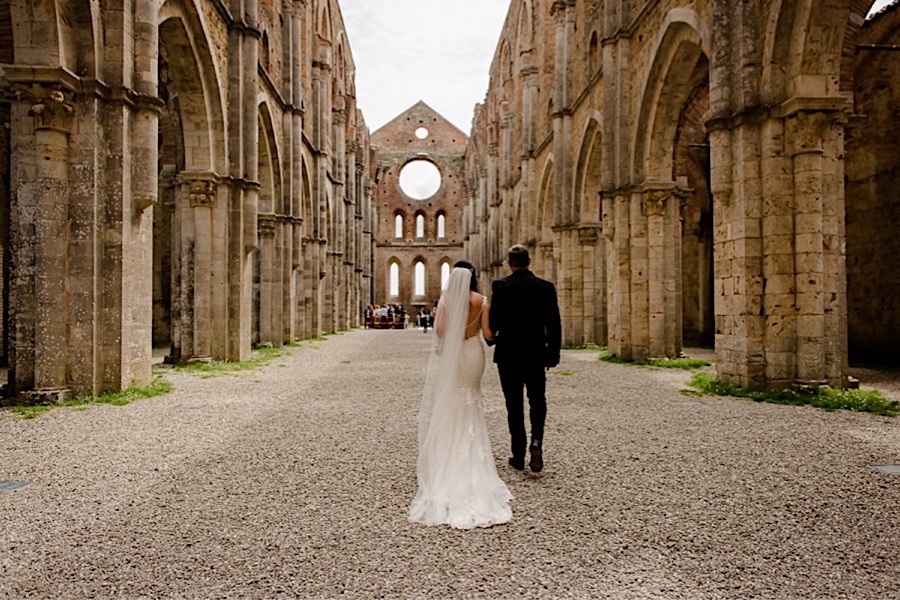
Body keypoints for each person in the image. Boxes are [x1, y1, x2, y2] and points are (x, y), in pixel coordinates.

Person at [409, 262, 512, 529]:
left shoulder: (446, 299)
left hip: (455, 355)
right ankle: (474, 464)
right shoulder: (481, 300)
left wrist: (451, 340)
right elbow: (488, 333)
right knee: (472, 399)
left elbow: (440, 331)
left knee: (454, 400)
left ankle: (449, 455)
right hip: (473, 352)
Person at [489, 244, 561, 473]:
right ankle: (537, 441)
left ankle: (518, 455)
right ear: (529, 262)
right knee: (538, 399)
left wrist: (494, 340)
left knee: (514, 404)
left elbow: (494, 321)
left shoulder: (500, 286)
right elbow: (554, 324)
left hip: (509, 353)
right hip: (536, 352)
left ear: (509, 263)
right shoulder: (545, 287)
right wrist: (553, 354)